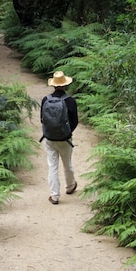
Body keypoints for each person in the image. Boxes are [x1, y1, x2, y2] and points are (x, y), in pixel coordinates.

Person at [41, 71, 78, 204]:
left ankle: (55, 196)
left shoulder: (46, 100)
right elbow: (75, 122)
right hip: (66, 139)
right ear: (65, 85)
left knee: (52, 166)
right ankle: (70, 186)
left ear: (54, 85)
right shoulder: (71, 101)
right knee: (67, 164)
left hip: (50, 138)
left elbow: (42, 119)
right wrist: (67, 132)